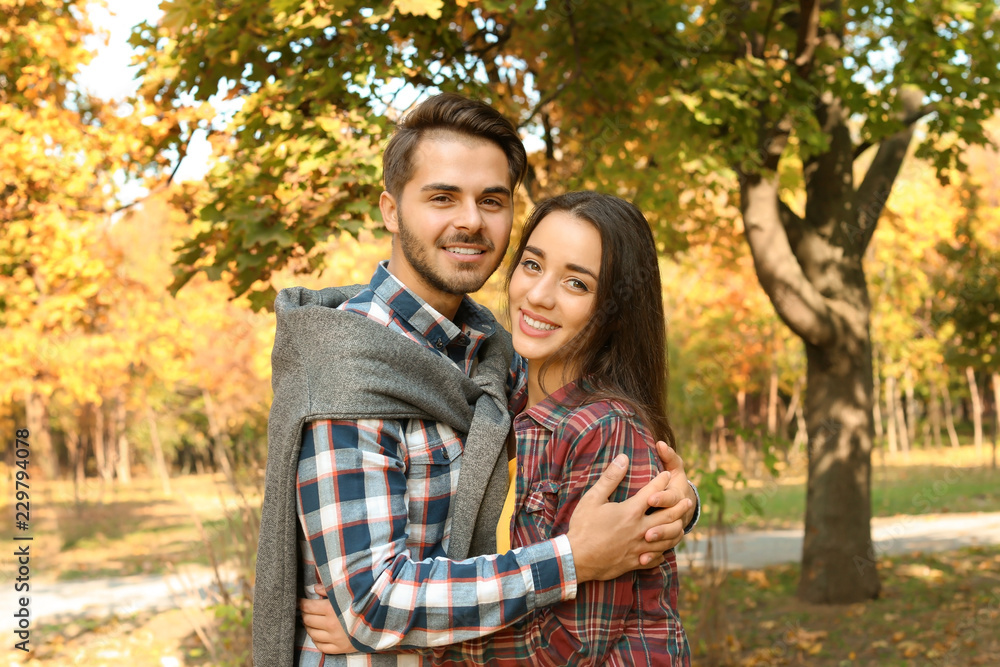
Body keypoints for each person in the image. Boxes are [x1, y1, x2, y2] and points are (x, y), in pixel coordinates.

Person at [253, 93, 700, 667]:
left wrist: (675, 501)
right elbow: (372, 604)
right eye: (442, 197)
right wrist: (572, 560)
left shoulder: (489, 355)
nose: (470, 219)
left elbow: (604, 437)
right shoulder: (349, 363)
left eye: (491, 200)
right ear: (390, 210)